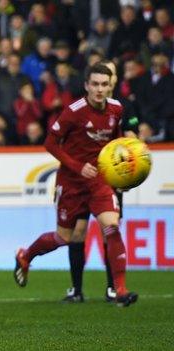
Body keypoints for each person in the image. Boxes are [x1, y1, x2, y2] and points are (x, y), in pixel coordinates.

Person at [13, 64, 138, 307]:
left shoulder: (117, 109)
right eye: (95, 84)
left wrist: (122, 171)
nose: (99, 89)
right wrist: (77, 166)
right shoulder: (74, 111)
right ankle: (26, 256)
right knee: (64, 238)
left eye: (104, 84)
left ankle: (120, 290)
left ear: (110, 85)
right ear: (86, 86)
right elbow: (50, 143)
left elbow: (115, 144)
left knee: (112, 227)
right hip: (71, 182)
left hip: (100, 182)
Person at [63, 59, 137, 303]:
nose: (104, 83)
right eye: (98, 81)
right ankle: (76, 289)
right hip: (84, 179)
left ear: (113, 80)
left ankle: (112, 288)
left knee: (110, 231)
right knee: (78, 232)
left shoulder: (123, 108)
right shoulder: (83, 107)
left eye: (110, 76)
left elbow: (131, 141)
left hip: (112, 177)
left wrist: (128, 166)